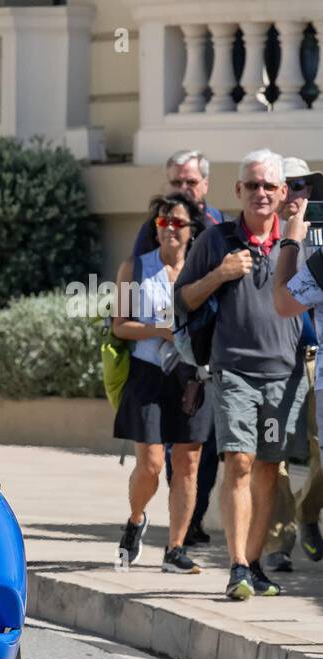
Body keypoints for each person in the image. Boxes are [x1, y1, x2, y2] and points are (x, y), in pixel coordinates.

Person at [175, 149, 307, 600]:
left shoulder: (300, 241)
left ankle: (253, 564)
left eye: (270, 185)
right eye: (253, 185)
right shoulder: (215, 240)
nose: (262, 194)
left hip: (286, 374)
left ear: (283, 191)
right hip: (234, 370)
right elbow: (184, 299)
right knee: (240, 460)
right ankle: (236, 566)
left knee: (269, 468)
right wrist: (221, 273)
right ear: (238, 191)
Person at [113, 193, 211, 573]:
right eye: (162, 223)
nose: (169, 229)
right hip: (148, 375)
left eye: (178, 223)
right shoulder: (134, 268)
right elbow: (119, 326)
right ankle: (137, 519)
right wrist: (161, 330)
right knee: (151, 464)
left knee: (188, 463)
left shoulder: (202, 271)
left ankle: (175, 549)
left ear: (192, 230)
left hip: (191, 376)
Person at [262, 158, 323, 572]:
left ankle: (306, 513)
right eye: (289, 186)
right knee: (274, 451)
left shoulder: (317, 234)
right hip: (267, 357)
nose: (297, 195)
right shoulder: (247, 233)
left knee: (319, 452)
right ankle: (279, 543)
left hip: (311, 354)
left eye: (304, 187)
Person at [131, 150, 224, 258]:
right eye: (176, 183)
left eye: (191, 182)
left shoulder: (220, 225)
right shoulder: (154, 225)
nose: (183, 189)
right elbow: (139, 269)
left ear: (205, 185)